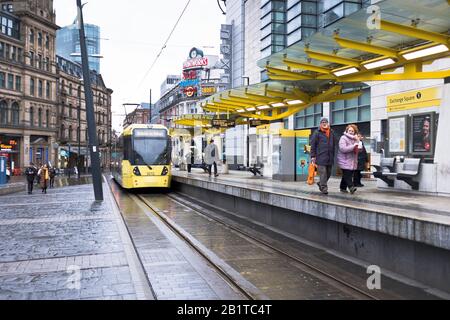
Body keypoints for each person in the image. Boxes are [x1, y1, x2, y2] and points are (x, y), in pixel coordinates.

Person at [310, 117, 338, 195]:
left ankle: (320, 183)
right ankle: (324, 188)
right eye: (323, 122)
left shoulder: (331, 132)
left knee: (328, 173)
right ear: (320, 124)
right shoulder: (317, 133)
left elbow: (336, 141)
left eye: (326, 122)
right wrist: (313, 156)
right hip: (320, 156)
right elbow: (313, 145)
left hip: (330, 156)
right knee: (323, 173)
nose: (324, 123)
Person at [337, 124, 360, 194]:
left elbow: (357, 150)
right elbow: (343, 149)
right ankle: (351, 187)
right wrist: (353, 146)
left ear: (355, 132)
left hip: (352, 161)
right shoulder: (343, 138)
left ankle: (342, 188)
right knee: (348, 174)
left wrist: (359, 147)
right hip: (344, 160)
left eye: (352, 131)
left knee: (346, 175)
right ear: (347, 131)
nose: (351, 132)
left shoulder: (355, 139)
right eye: (349, 130)